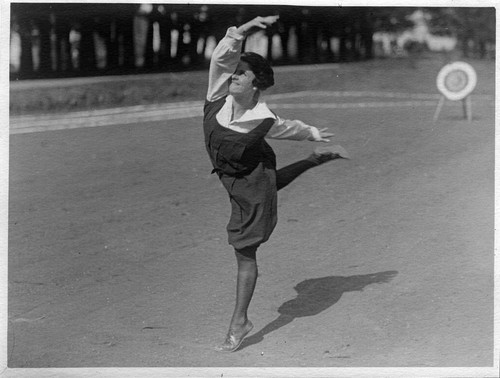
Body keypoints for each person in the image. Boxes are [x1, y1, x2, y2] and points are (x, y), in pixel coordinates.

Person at [203, 15, 349, 352]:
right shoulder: (216, 95)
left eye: (242, 74)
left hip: (248, 169)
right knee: (266, 187)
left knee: (245, 249)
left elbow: (289, 128)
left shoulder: (264, 118)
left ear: (255, 85)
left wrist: (313, 132)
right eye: (234, 72)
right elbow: (221, 57)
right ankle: (316, 159)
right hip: (233, 172)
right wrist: (247, 26)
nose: (233, 76)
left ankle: (239, 321)